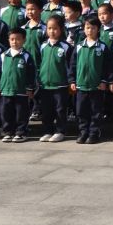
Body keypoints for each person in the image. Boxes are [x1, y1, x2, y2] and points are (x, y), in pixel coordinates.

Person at [70, 17, 113, 144]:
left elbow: (108, 66)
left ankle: (94, 133)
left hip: (97, 86)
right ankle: (83, 132)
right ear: (84, 29)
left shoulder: (103, 47)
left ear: (98, 29)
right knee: (81, 111)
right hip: (81, 85)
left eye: (93, 28)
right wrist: (72, 80)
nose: (90, 30)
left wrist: (104, 81)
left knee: (96, 111)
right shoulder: (79, 46)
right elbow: (73, 65)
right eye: (87, 27)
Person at [0, 27, 34, 142]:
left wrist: (30, 87)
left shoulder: (26, 56)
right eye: (12, 39)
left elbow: (31, 73)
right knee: (6, 113)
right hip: (6, 91)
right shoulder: (3, 55)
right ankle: (8, 132)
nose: (14, 42)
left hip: (21, 91)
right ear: (8, 40)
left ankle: (21, 132)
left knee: (21, 113)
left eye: (18, 39)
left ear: (24, 40)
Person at [37, 15, 73, 143]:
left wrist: (70, 81)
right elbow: (40, 63)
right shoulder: (43, 46)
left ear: (61, 29)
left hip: (60, 85)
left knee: (60, 109)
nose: (52, 31)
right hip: (45, 85)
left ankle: (60, 131)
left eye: (55, 28)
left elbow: (70, 66)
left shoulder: (65, 47)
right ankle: (48, 131)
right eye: (49, 28)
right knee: (46, 110)